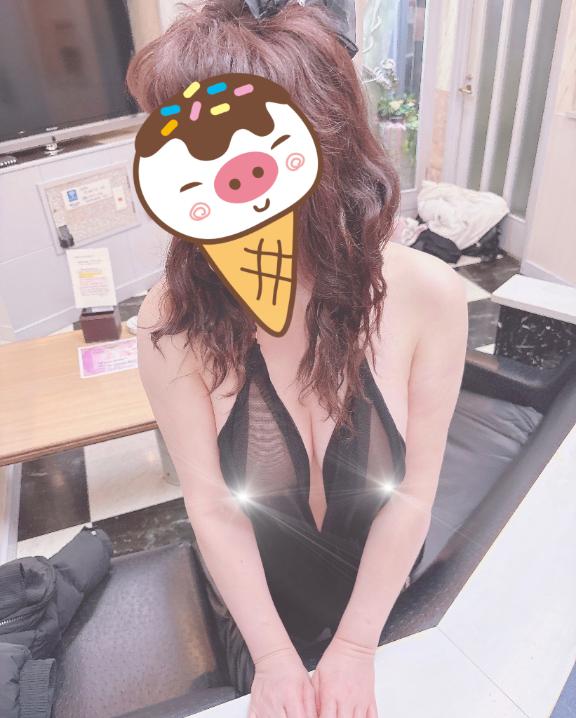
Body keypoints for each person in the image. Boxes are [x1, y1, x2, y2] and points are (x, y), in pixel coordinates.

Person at [129, 1, 468, 716]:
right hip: (259, 615)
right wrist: (276, 660)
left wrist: (356, 648)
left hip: (387, 606)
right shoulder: (172, 320)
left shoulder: (429, 295)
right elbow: (211, 507)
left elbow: (413, 494)